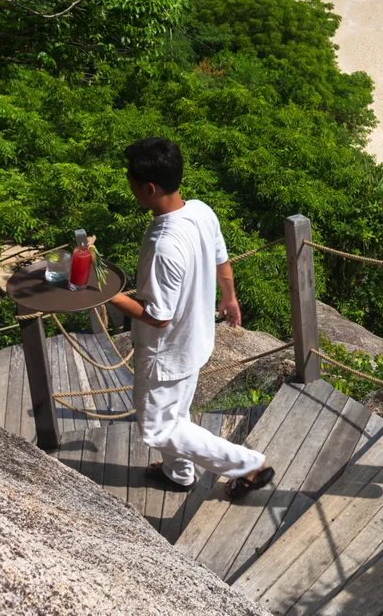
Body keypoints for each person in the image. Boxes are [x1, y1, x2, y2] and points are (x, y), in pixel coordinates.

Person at [109, 138, 273, 499]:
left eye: (131, 182)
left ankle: (248, 465)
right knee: (175, 418)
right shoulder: (199, 210)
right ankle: (178, 473)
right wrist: (229, 297)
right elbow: (221, 258)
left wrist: (106, 294)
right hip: (194, 339)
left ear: (149, 188)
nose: (130, 188)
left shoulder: (162, 243)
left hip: (165, 354)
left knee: (157, 429)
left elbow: (157, 317)